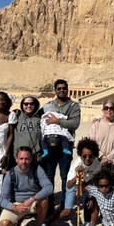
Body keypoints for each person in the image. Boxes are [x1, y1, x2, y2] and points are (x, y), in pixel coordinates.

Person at [41, 79, 81, 214]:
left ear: (67, 89)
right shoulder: (48, 105)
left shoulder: (73, 106)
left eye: (64, 88)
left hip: (65, 147)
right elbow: (39, 119)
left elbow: (74, 124)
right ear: (55, 90)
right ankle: (50, 204)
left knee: (66, 176)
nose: (62, 90)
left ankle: (65, 205)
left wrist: (57, 121)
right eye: (59, 88)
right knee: (49, 176)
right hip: (50, 146)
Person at [0, 146, 53, 226]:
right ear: (16, 159)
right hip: (17, 204)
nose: (24, 161)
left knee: (44, 199)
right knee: (3, 225)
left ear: (31, 159)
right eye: (21, 159)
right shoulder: (10, 174)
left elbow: (49, 187)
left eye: (27, 159)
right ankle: (17, 221)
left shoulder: (37, 169)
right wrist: (14, 207)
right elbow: (2, 199)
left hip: (33, 202)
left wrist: (32, 199)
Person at [61, 137, 101, 226]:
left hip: (88, 184)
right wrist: (76, 175)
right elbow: (69, 185)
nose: (87, 159)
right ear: (80, 155)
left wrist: (92, 196)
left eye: (90, 156)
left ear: (94, 155)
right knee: (67, 211)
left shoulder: (97, 164)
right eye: (84, 156)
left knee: (95, 200)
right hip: (74, 184)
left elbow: (96, 181)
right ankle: (51, 220)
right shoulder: (76, 163)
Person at [89, 100, 114, 174]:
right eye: (106, 108)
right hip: (96, 161)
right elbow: (92, 143)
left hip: (111, 164)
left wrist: (108, 159)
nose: (108, 110)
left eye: (111, 108)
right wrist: (101, 156)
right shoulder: (96, 125)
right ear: (102, 110)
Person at [9, 95, 43, 164]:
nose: (29, 106)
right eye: (26, 104)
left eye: (31, 104)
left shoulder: (41, 119)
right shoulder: (16, 116)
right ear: (22, 105)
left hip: (35, 157)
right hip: (19, 156)